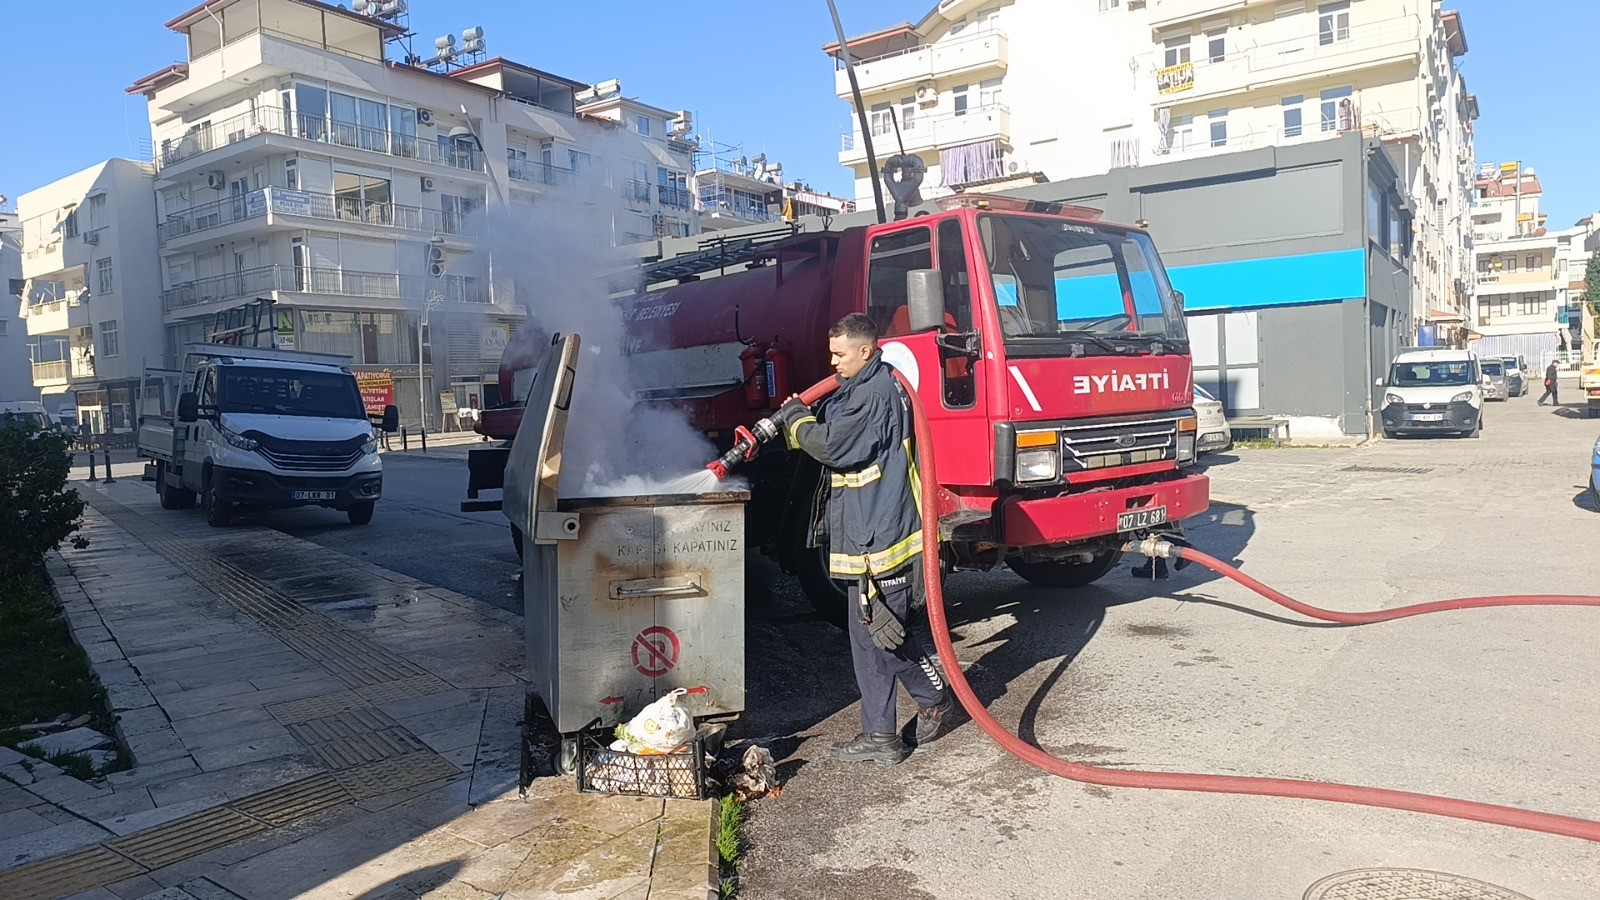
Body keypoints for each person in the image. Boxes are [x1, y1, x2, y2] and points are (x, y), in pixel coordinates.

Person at [771, 313, 954, 765]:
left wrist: (794, 419)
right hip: (864, 532)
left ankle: (933, 697)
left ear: (866, 351)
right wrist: (802, 419)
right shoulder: (860, 386)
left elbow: (832, 446)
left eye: (840, 354)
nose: (832, 362)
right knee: (866, 639)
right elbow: (831, 428)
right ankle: (881, 735)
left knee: (885, 634)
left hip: (883, 537)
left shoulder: (874, 393)